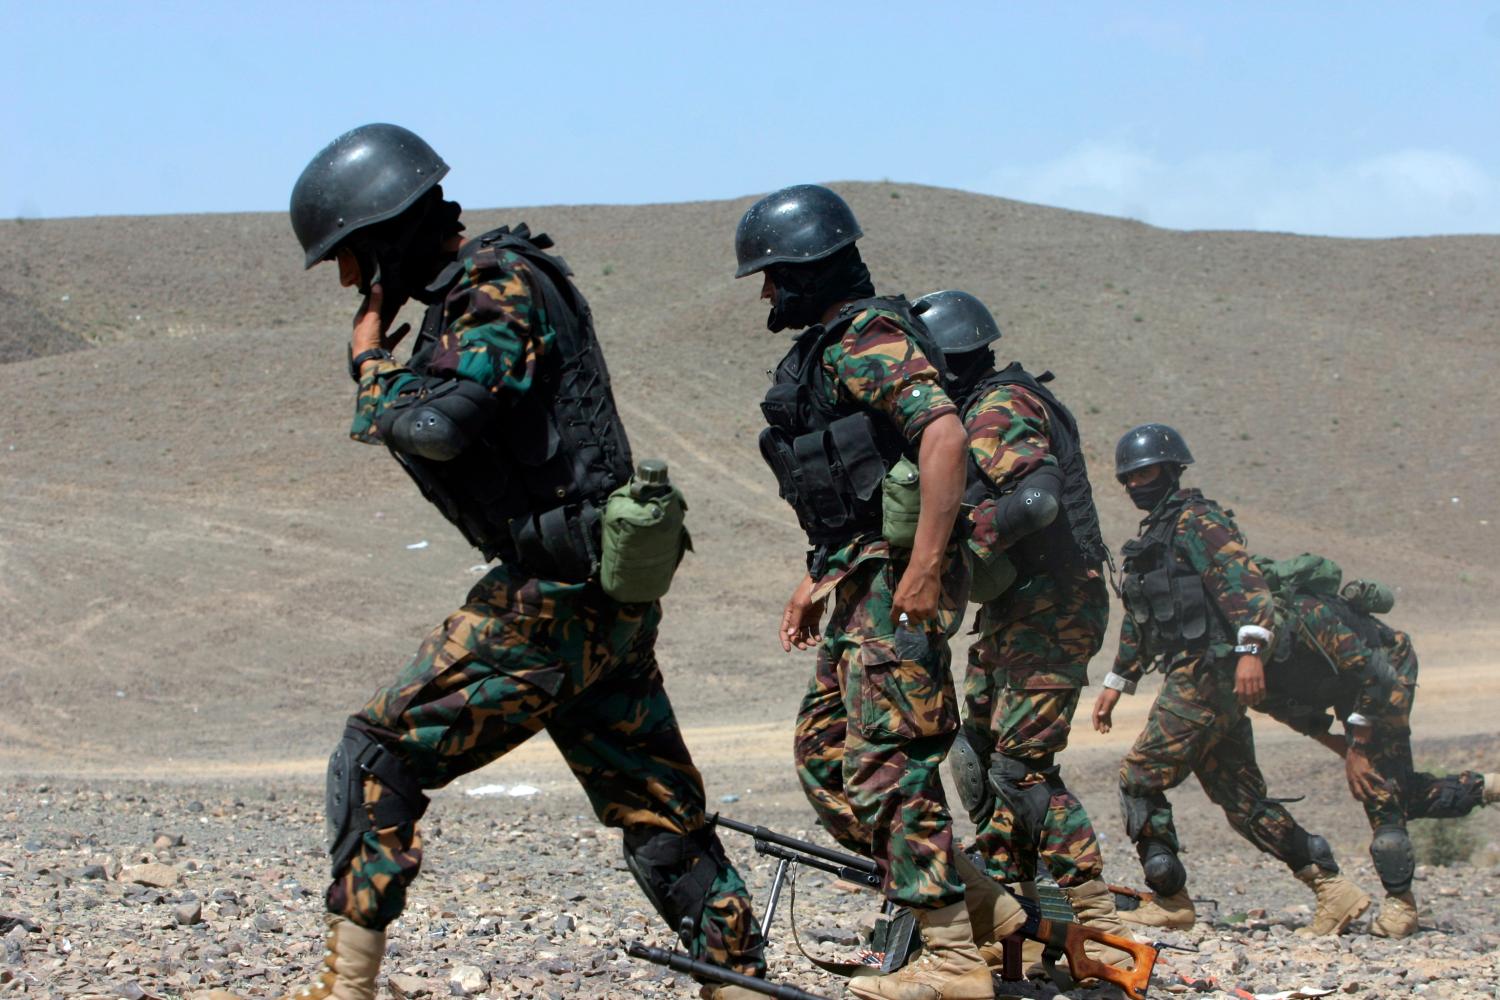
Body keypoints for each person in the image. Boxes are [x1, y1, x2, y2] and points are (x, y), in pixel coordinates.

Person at [226, 123, 766, 1000]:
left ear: (388, 232)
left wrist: (370, 364)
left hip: (550, 600)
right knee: (655, 805)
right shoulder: (499, 282)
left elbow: (441, 426)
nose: (349, 281)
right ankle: (738, 983)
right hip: (600, 597)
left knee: (376, 754)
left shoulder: (492, 285)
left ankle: (346, 986)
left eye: (352, 257)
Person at [736, 186, 1018, 1000]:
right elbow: (851, 488)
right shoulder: (832, 347)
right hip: (862, 572)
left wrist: (926, 566)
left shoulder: (870, 336)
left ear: (810, 271)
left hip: (900, 579)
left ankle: (952, 962)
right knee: (826, 754)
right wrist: (816, 576)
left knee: (886, 761)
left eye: (774, 276)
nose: (765, 294)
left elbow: (943, 434)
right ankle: (984, 906)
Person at [915, 290, 1133, 971]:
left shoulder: (1000, 407)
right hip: (1018, 607)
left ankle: (1094, 917)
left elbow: (1036, 501)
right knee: (973, 751)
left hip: (1057, 605)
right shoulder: (985, 405)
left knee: (1020, 766)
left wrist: (957, 539)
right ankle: (1015, 906)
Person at [1091, 423, 1371, 935]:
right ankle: (1333, 888)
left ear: (1173, 470)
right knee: (1243, 801)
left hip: (1207, 673)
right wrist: (1117, 681)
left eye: (1146, 472)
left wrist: (1250, 653)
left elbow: (1250, 590)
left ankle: (1171, 900)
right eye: (1128, 478)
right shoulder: (1155, 536)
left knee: (1139, 778)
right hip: (1196, 674)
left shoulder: (1198, 522)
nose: (1136, 484)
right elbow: (1142, 619)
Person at [1253, 576, 1499, 937]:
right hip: (1352, 689)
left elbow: (1375, 675)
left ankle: (1402, 906)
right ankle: (1487, 787)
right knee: (1397, 791)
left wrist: (1359, 749)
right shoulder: (1237, 657)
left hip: (1388, 667)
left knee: (1379, 789)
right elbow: (1290, 711)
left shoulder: (1306, 617)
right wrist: (1342, 747)